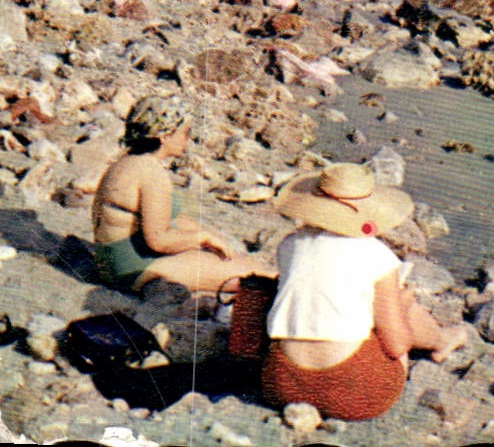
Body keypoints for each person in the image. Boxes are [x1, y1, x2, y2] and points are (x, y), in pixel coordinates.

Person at [262, 164, 468, 422]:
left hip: (282, 385)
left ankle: (439, 338)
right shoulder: (376, 255)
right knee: (401, 305)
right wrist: (402, 306)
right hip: (356, 394)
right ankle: (441, 341)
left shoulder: (290, 245)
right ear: (370, 209)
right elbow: (398, 344)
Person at [91, 96, 270, 294]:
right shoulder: (152, 174)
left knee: (232, 259)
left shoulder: (128, 162)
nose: (187, 139)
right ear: (165, 136)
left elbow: (160, 219)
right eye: (184, 132)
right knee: (256, 276)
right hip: (131, 269)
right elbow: (158, 241)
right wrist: (203, 238)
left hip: (111, 260)